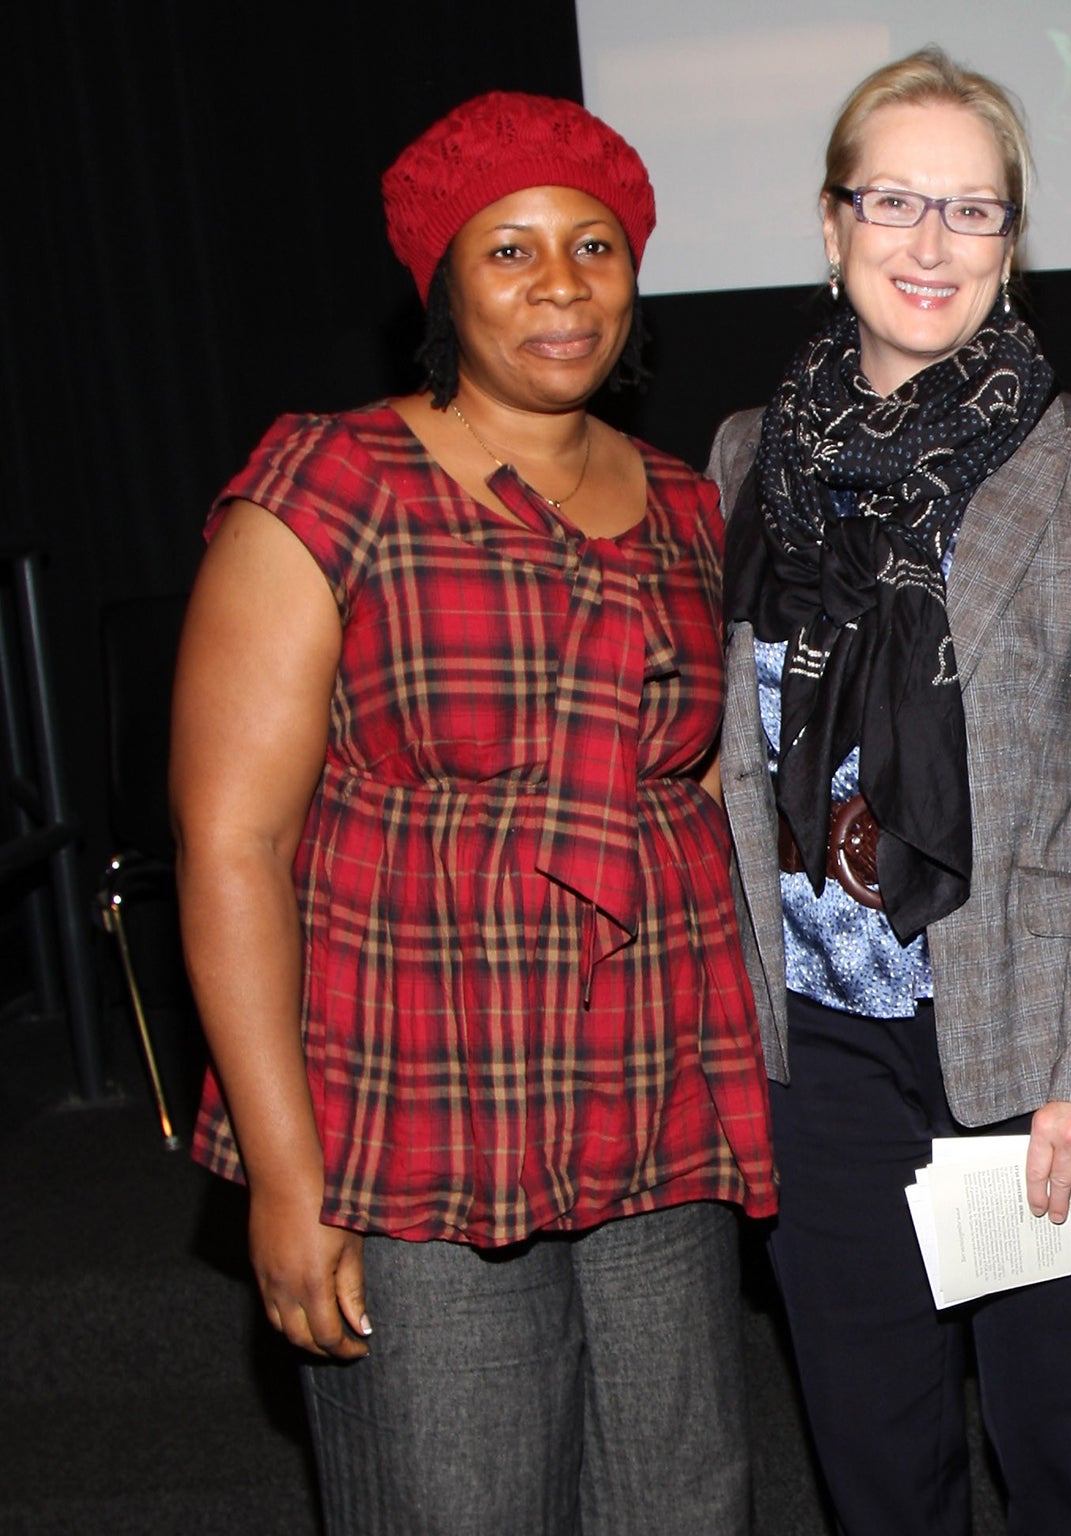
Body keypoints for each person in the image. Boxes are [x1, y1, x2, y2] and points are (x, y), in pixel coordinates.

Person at [171, 92, 770, 1536]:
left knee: (685, 1500)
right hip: (419, 1120)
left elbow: (705, 795)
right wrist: (286, 1178)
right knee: (460, 1506)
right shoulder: (329, 484)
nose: (562, 286)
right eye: (510, 252)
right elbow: (230, 848)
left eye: (596, 247)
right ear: (443, 279)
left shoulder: (691, 506)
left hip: (653, 1108)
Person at [711, 47, 1071, 1536]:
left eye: (973, 211)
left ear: (1013, 241)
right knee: (878, 1479)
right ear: (830, 222)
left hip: (1030, 1067)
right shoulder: (747, 456)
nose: (930, 244)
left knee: (1063, 1475)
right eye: (896, 201)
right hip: (821, 1063)